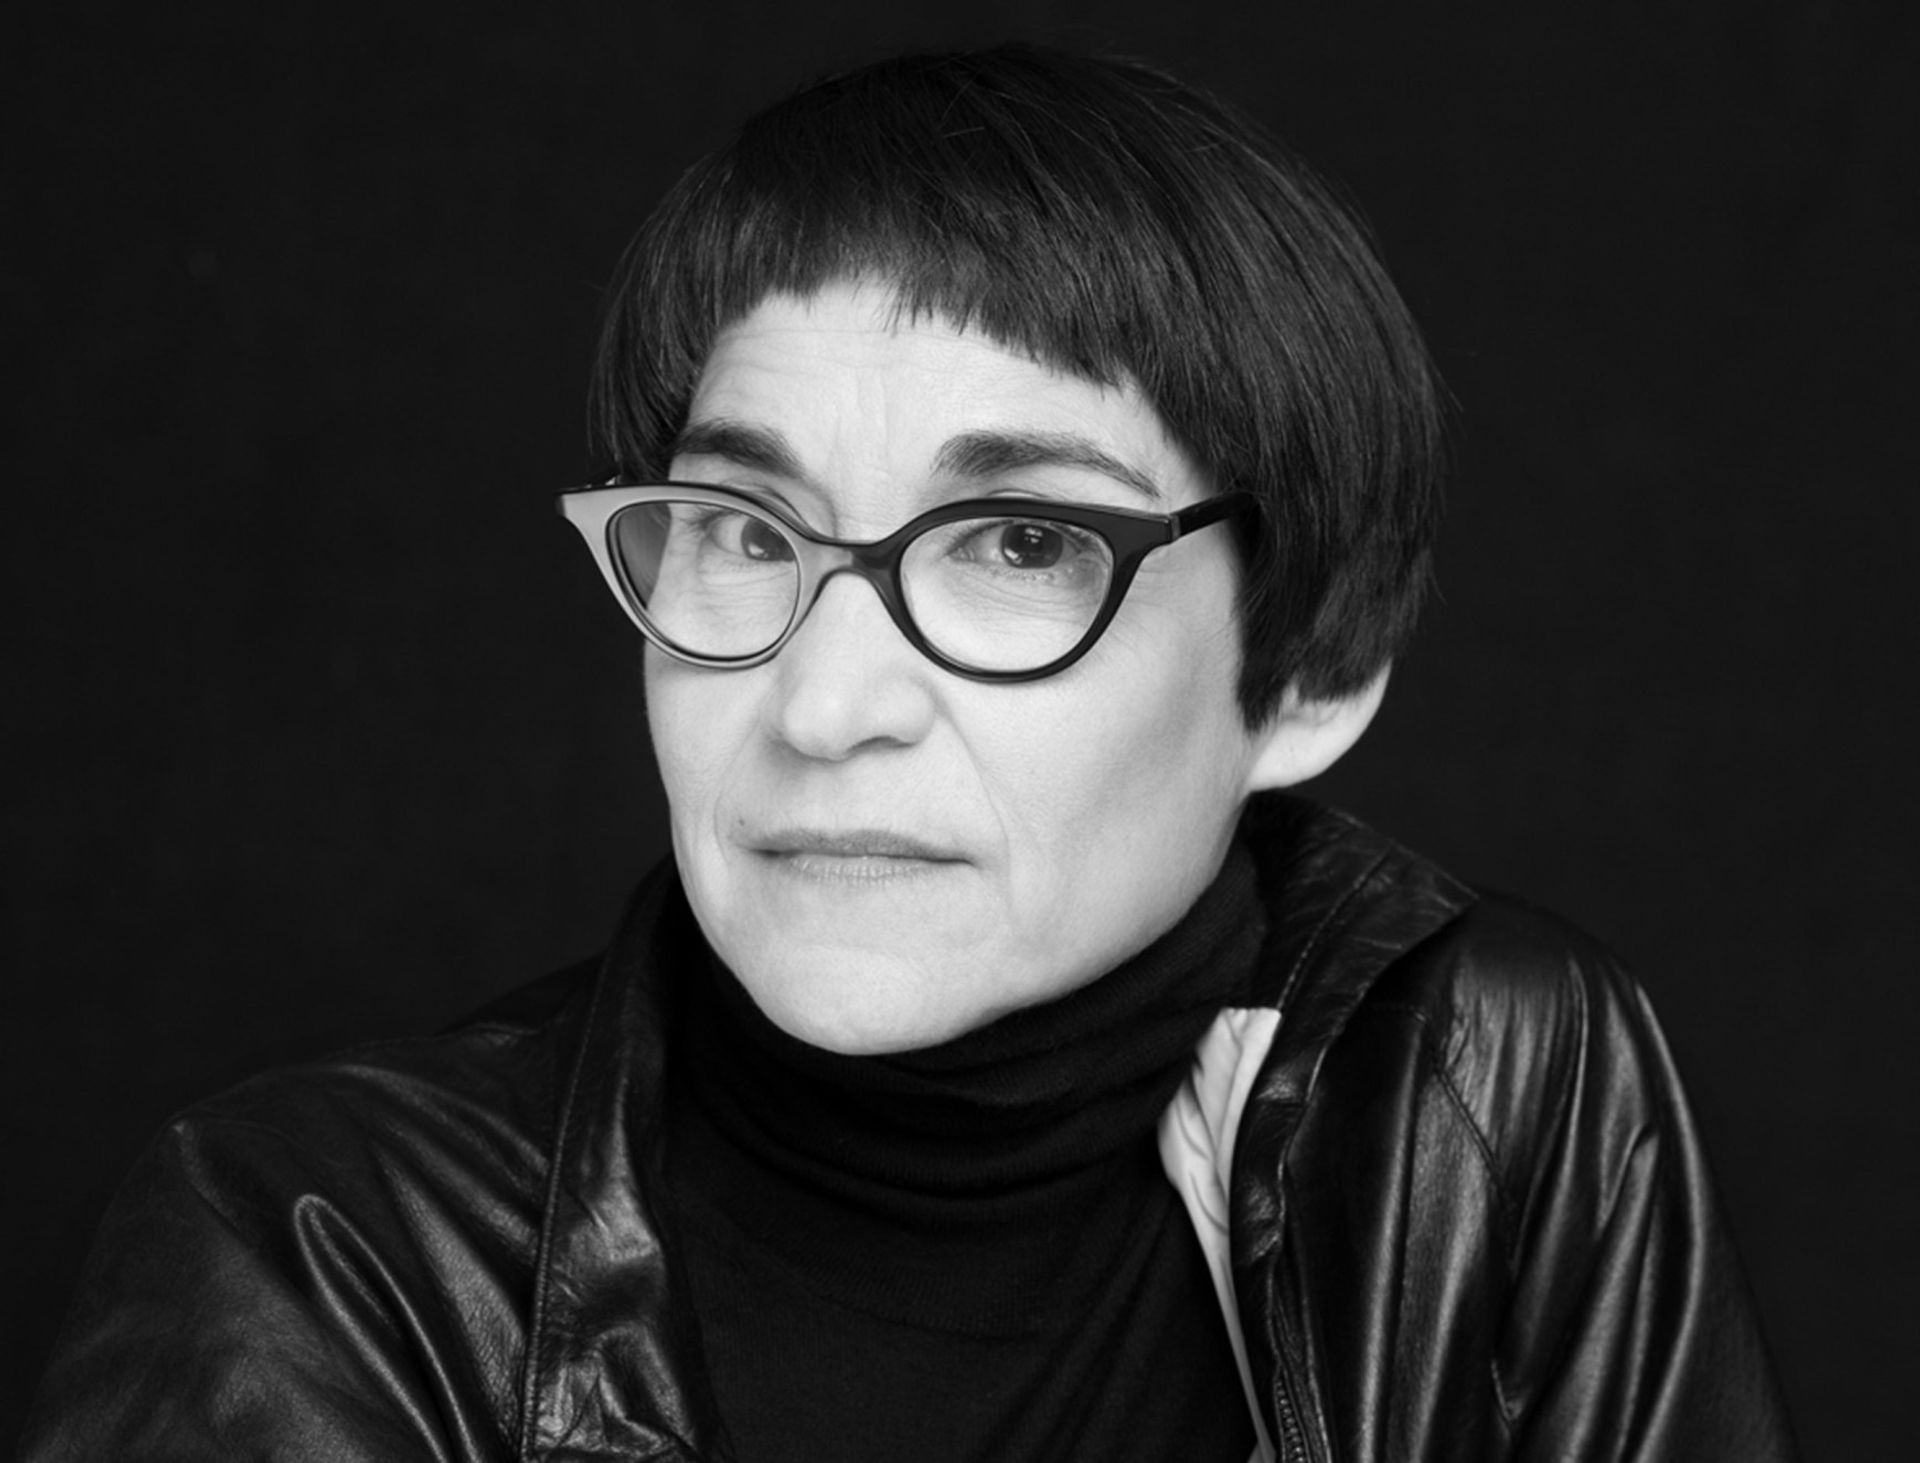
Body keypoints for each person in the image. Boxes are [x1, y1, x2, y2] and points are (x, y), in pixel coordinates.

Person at [22, 43, 1795, 1463]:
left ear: (1310, 674)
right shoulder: (317, 1252)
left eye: (1020, 542)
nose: (824, 706)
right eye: (745, 531)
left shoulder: (1485, 1090)